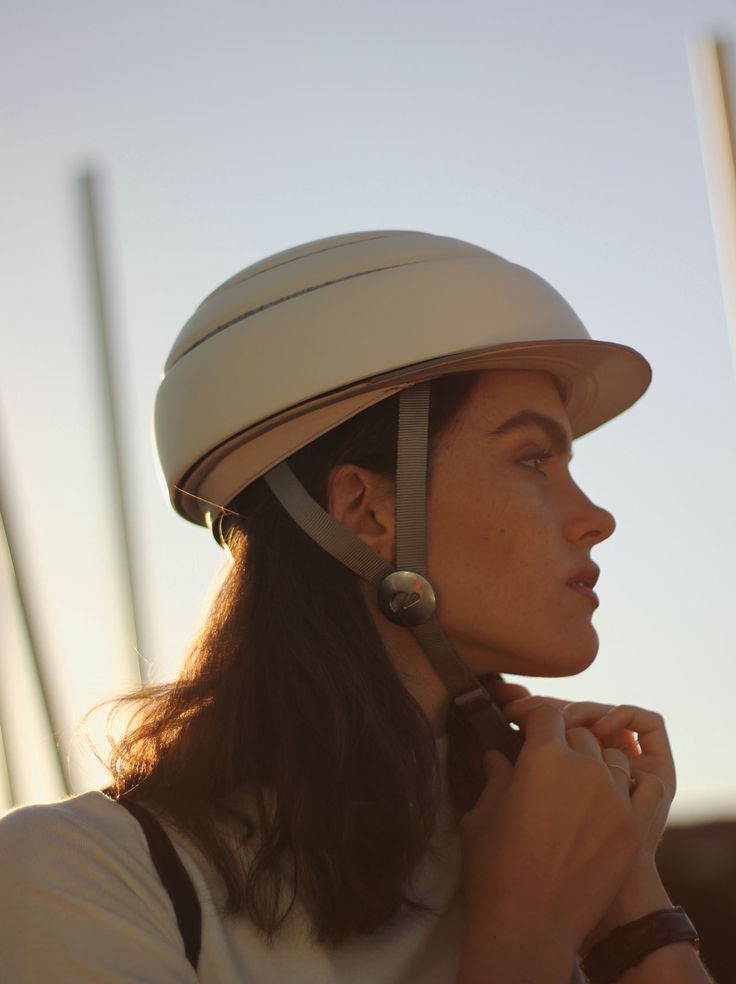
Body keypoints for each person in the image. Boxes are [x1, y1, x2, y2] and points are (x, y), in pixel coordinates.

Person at [0, 230, 714, 983]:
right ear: (366, 510)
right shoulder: (77, 876)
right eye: (535, 459)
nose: (596, 517)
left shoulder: (537, 835)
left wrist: (634, 903)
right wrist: (527, 931)